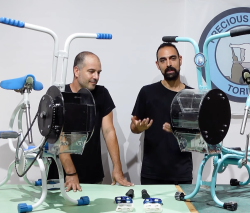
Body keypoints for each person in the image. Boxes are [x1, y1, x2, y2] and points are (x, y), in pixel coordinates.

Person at [48, 51, 133, 191]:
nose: (96, 77)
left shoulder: (102, 94)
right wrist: (70, 172)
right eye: (91, 72)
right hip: (61, 175)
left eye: (99, 72)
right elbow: (58, 137)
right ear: (77, 71)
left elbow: (108, 131)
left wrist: (117, 169)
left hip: (92, 175)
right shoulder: (59, 95)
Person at [130, 43, 193, 185]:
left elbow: (198, 139)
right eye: (163, 60)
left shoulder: (191, 96)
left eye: (172, 58)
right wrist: (138, 128)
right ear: (157, 65)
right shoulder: (147, 92)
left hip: (182, 174)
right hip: (152, 174)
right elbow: (134, 126)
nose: (168, 64)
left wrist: (177, 132)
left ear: (180, 60)